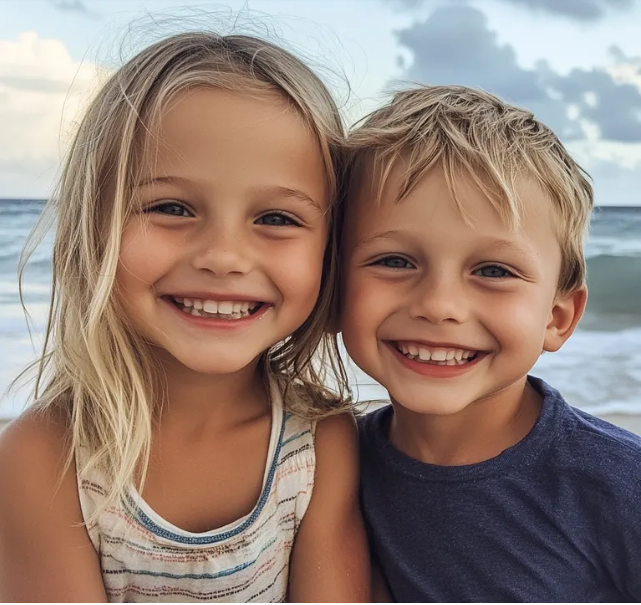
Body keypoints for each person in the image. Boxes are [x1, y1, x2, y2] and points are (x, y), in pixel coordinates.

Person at [0, 31, 369, 602]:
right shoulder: (44, 456)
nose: (223, 256)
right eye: (171, 207)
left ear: (330, 248)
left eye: (276, 218)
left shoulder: (321, 441)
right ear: (90, 228)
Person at [342, 85, 641, 602]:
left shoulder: (620, 486)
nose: (439, 305)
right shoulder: (324, 466)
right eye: (394, 261)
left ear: (557, 318)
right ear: (333, 287)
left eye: (494, 271)